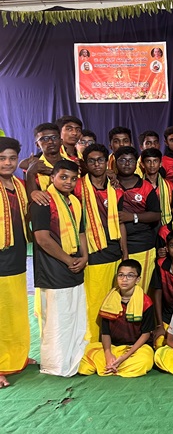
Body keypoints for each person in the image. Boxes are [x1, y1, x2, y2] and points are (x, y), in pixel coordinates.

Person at [31, 159, 88, 377]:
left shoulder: (75, 201)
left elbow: (81, 232)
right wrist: (67, 260)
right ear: (52, 177)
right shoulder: (43, 201)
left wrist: (84, 256)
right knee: (57, 319)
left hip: (74, 264)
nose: (68, 182)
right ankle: (55, 365)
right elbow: (42, 239)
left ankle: (74, 359)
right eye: (63, 177)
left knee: (74, 315)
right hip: (53, 268)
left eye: (73, 178)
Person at [74, 144, 127, 343]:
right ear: (85, 164)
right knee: (93, 301)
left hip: (113, 251)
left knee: (113, 300)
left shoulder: (116, 190)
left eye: (100, 160)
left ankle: (112, 340)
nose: (96, 164)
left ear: (107, 162)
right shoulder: (77, 187)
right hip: (92, 252)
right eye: (92, 161)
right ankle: (92, 343)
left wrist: (125, 253)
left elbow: (120, 222)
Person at [78, 260, 154, 377]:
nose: (124, 279)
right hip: (114, 348)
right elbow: (105, 333)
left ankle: (111, 366)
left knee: (144, 361)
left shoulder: (146, 302)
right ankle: (114, 365)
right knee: (86, 354)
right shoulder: (109, 301)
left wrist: (125, 356)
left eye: (130, 276)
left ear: (137, 280)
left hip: (136, 349)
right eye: (121, 275)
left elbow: (146, 334)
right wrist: (108, 354)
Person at [0, 137, 31, 387]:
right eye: (2, 158)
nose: (8, 163)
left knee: (15, 309)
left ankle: (16, 356)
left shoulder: (19, 185)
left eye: (12, 158)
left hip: (17, 257)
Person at [115, 146, 161, 290]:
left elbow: (156, 215)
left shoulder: (146, 186)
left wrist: (133, 217)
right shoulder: (109, 184)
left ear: (137, 164)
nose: (127, 164)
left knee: (140, 290)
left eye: (131, 160)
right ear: (115, 162)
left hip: (141, 245)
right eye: (122, 160)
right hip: (115, 247)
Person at [25, 123, 65, 194]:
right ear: (37, 145)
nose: (50, 141)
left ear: (61, 141)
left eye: (54, 137)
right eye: (44, 139)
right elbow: (32, 197)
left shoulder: (72, 164)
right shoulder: (33, 169)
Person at [140, 148, 173, 225]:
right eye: (148, 161)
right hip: (144, 226)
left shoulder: (169, 186)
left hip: (165, 225)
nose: (152, 165)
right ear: (142, 164)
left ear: (160, 164)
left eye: (155, 161)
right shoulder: (138, 186)